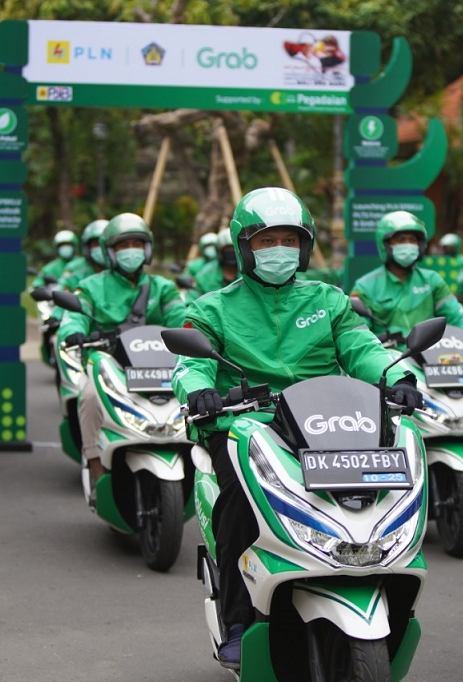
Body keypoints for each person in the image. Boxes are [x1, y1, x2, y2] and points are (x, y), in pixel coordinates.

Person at [171, 187, 423, 670]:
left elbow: (361, 347)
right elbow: (190, 363)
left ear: (304, 247)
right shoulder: (212, 308)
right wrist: (198, 392)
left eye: (289, 239)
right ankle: (240, 619)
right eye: (267, 241)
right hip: (246, 427)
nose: (279, 249)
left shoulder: (328, 300)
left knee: (388, 485)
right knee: (238, 504)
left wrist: (397, 376)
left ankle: (384, 576)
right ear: (245, 247)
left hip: (327, 423)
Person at [58, 214, 186, 496]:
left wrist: (194, 333)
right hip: (108, 364)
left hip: (156, 365)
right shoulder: (92, 286)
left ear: (148, 249)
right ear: (110, 252)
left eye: (137, 243)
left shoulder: (162, 287)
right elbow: (74, 317)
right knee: (89, 397)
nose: (131, 250)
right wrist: (73, 332)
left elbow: (183, 319)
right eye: (123, 245)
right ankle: (94, 462)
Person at [350, 211, 463, 344]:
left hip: (430, 359)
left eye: (412, 240)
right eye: (401, 240)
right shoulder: (365, 287)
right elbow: (358, 331)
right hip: (388, 361)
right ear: (385, 244)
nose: (408, 245)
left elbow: (456, 315)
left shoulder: (431, 280)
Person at [57, 219, 108, 293]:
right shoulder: (75, 272)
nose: (101, 248)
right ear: (87, 247)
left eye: (104, 244)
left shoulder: (123, 275)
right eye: (96, 244)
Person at [188, 227, 237, 300]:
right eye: (227, 248)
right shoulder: (204, 277)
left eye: (234, 248)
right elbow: (191, 303)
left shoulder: (249, 275)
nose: (231, 251)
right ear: (219, 251)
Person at [422, 232, 463, 300]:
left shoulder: (461, 260)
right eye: (445, 247)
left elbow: (462, 280)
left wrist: (458, 293)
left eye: (450, 247)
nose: (447, 250)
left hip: (459, 297)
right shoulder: (443, 260)